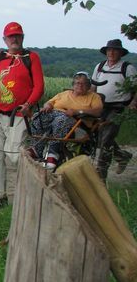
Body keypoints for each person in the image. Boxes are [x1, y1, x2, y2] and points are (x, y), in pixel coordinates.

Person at [0, 21, 44, 210]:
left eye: (18, 36)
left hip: (19, 115)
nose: (15, 39)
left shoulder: (32, 58)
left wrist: (29, 104)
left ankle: (37, 186)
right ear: (5, 39)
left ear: (22, 38)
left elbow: (39, 87)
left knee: (14, 156)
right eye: (11, 36)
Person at [29, 72, 103, 169]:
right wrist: (48, 106)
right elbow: (50, 102)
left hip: (76, 124)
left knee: (61, 120)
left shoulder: (94, 97)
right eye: (77, 83)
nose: (80, 85)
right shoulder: (64, 94)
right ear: (73, 84)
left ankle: (53, 153)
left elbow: (98, 112)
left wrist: (77, 111)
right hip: (54, 116)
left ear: (88, 86)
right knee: (37, 116)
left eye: (83, 83)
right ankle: (36, 149)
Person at [91, 39, 137, 179]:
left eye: (114, 50)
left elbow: (136, 88)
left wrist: (134, 103)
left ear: (120, 53)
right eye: (109, 50)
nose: (111, 52)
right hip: (100, 107)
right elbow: (93, 87)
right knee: (98, 137)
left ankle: (101, 172)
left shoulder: (127, 68)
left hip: (117, 107)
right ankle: (122, 156)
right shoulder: (100, 67)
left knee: (107, 139)